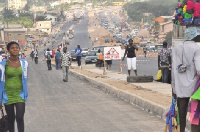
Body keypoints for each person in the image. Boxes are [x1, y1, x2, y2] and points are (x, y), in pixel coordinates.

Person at [172, 26, 200, 132]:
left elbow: (173, 70)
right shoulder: (196, 48)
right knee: (195, 113)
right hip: (194, 88)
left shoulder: (177, 48)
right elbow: (199, 69)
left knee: (181, 114)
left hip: (179, 87)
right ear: (195, 36)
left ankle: (181, 130)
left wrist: (173, 89)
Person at [0, 41, 28, 132]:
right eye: (12, 48)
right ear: (8, 50)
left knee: (20, 118)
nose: (15, 49)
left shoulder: (24, 63)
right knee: (11, 119)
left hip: (20, 95)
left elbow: (25, 79)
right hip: (7, 96)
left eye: (17, 47)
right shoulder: (3, 65)